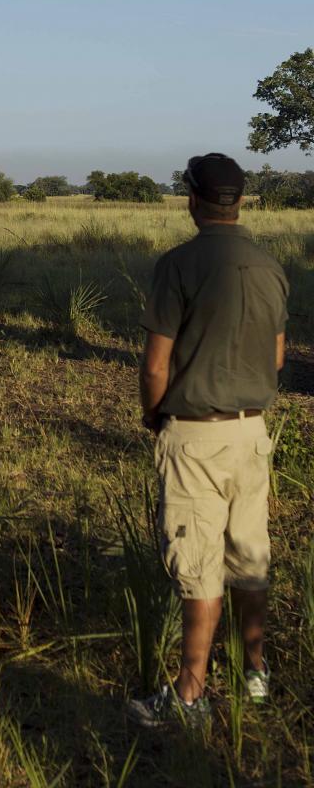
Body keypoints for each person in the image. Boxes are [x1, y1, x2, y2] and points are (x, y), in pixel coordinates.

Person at [127, 153, 288, 729]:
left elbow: (155, 366)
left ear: (192, 199)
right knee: (249, 555)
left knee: (197, 566)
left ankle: (190, 695)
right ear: (239, 201)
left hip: (196, 434)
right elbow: (276, 357)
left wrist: (154, 415)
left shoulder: (178, 265)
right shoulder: (270, 266)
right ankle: (255, 673)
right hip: (253, 432)